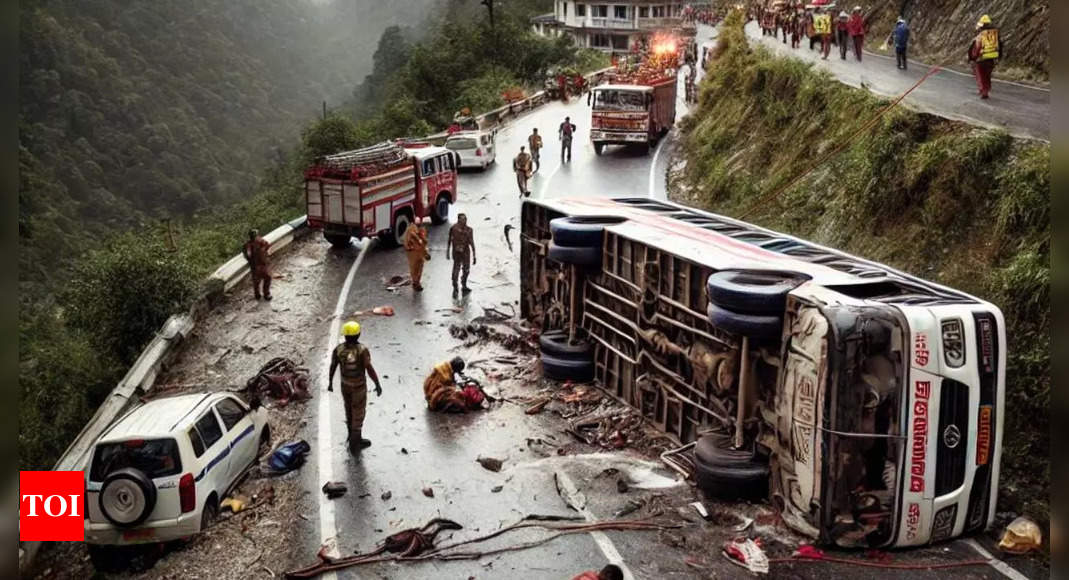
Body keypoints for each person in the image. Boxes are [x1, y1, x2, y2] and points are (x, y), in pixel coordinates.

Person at [327, 321, 383, 453]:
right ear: (358, 334)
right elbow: (369, 368)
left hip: (345, 385)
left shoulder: (339, 349)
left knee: (348, 409)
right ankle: (355, 442)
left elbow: (333, 366)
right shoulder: (362, 350)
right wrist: (377, 383)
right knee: (359, 412)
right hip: (358, 387)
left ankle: (350, 435)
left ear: (345, 336)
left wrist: (330, 382)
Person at [968, 14, 1002, 100]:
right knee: (987, 76)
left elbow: (976, 48)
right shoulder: (995, 34)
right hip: (991, 59)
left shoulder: (980, 36)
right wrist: (999, 57)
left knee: (980, 76)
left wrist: (972, 57)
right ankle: (986, 89)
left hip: (981, 59)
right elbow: (1000, 46)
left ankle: (983, 91)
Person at [446, 213, 476, 295]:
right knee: (456, 270)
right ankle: (455, 286)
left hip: (466, 252)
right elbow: (449, 240)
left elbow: (472, 242)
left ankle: (464, 285)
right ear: (458, 219)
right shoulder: (453, 228)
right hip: (456, 252)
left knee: (466, 270)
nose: (464, 221)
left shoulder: (469, 230)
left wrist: (474, 255)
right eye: (462, 219)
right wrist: (447, 251)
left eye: (465, 219)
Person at [242, 229, 272, 300]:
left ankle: (258, 295)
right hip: (259, 265)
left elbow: (247, 255)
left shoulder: (248, 244)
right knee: (266, 278)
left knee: (257, 281)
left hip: (256, 266)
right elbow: (267, 246)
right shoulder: (258, 242)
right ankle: (266, 294)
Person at [402, 218, 430, 292]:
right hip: (413, 253)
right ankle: (416, 283)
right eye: (417, 222)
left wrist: (426, 253)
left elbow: (424, 242)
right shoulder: (410, 230)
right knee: (414, 268)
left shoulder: (421, 230)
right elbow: (406, 242)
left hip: (420, 252)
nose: (418, 223)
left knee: (420, 268)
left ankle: (417, 282)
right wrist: (410, 248)